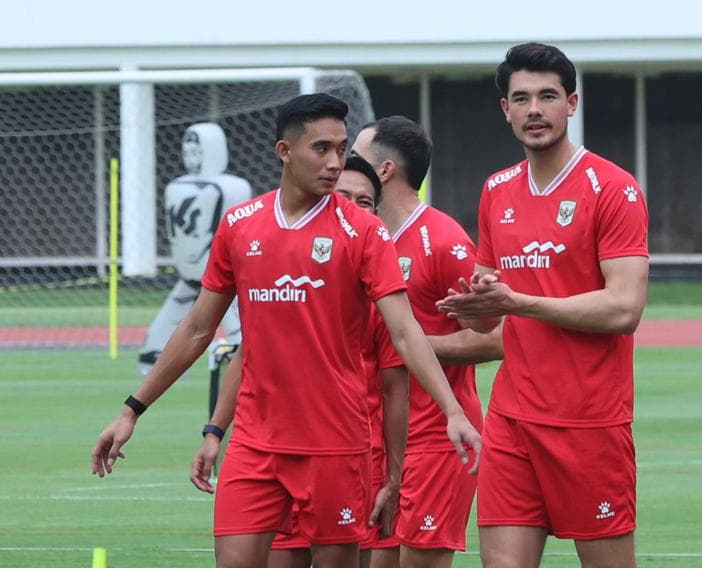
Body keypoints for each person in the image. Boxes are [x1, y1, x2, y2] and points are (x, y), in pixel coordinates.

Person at [92, 93, 481, 568]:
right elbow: (198, 329)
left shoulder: (364, 232)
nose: (335, 162)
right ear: (284, 151)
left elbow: (404, 334)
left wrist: (452, 411)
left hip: (337, 447)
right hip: (256, 445)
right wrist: (133, 411)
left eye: (341, 149)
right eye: (322, 149)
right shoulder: (240, 226)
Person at [436, 43, 649, 568]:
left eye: (548, 96)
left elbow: (624, 309)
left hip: (589, 421)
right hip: (511, 419)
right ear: (505, 109)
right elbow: (492, 309)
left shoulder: (614, 188)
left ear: (571, 103)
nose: (535, 110)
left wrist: (519, 303)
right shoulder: (496, 191)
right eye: (522, 98)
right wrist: (474, 308)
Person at [191, 156, 410, 568]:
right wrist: (214, 431)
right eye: (344, 194)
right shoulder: (264, 243)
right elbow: (247, 353)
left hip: (343, 454)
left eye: (364, 201)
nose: (348, 205)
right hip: (267, 449)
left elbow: (396, 387)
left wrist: (393, 475)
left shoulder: (378, 295)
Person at [352, 116, 494, 568]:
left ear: (386, 170)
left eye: (355, 155)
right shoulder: (362, 238)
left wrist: (411, 343)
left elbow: (500, 336)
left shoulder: (444, 240)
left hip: (436, 440)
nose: (343, 164)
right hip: (373, 438)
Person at [139, 122, 250, 376]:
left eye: (197, 152)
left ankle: (246, 357)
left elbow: (237, 228)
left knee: (227, 317)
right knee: (196, 316)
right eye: (188, 152)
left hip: (217, 269)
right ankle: (154, 356)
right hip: (194, 268)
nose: (192, 158)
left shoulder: (228, 188)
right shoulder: (180, 187)